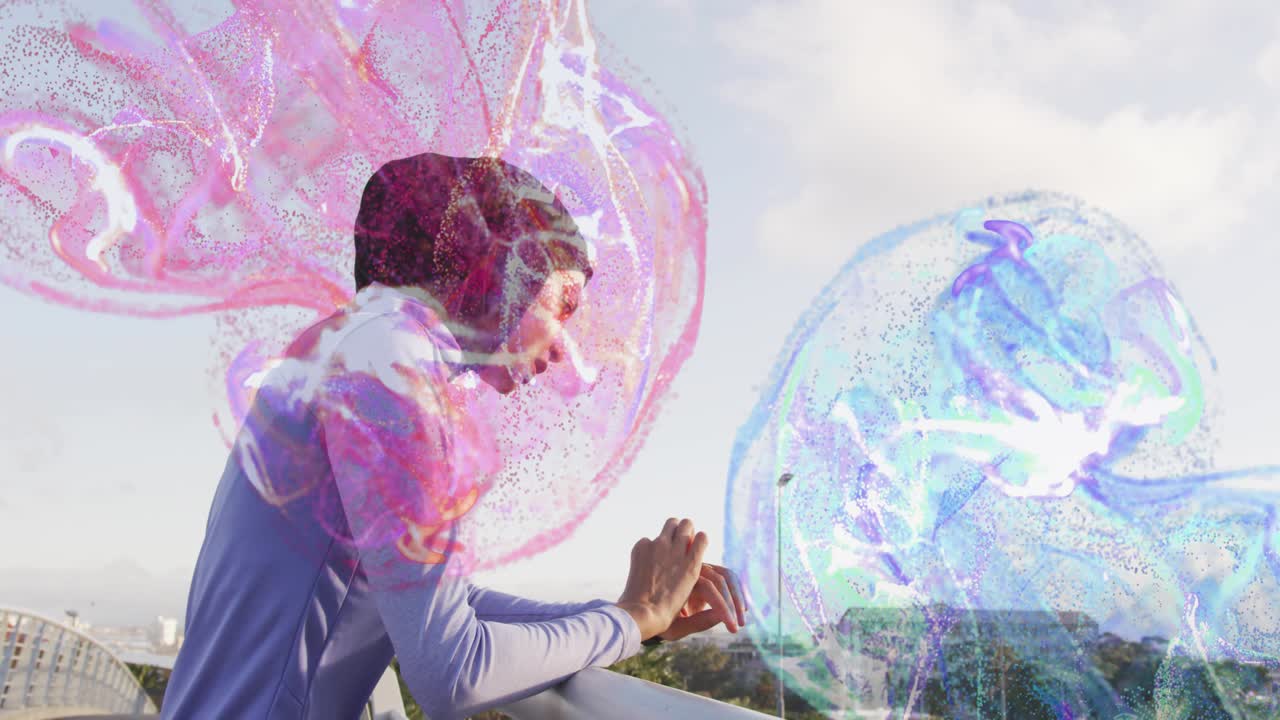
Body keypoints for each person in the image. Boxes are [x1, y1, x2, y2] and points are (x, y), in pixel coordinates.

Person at [162, 152, 746, 719]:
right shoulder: (390, 366)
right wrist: (631, 618)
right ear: (506, 269)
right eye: (564, 306)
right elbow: (454, 672)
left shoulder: (356, 340)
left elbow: (439, 605)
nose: (567, 350)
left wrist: (637, 616)